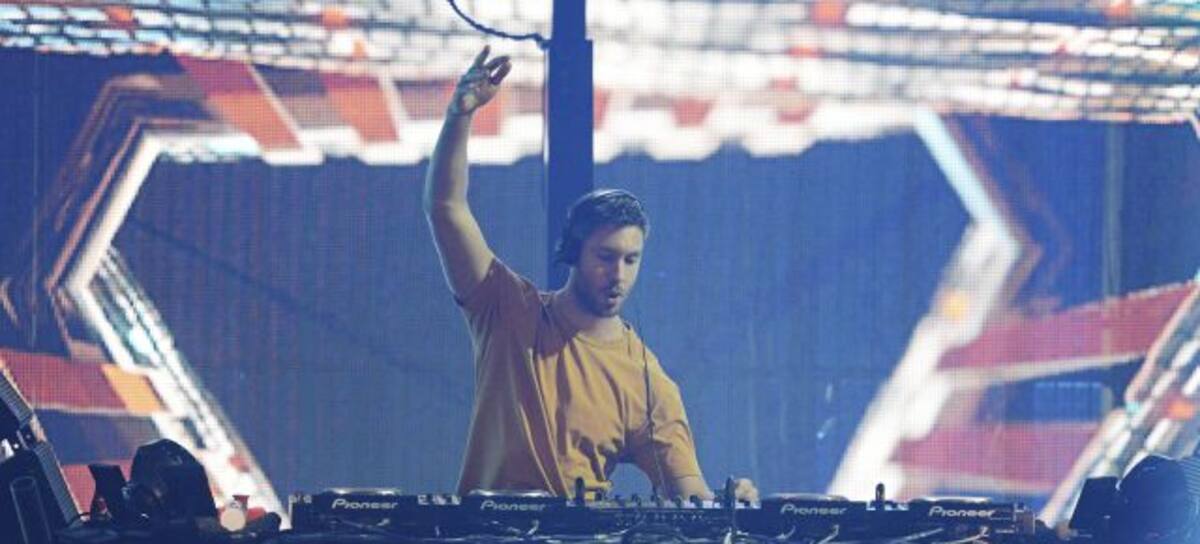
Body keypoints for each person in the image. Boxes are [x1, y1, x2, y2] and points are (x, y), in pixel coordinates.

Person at [424, 46, 757, 502]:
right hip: (486, 531)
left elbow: (689, 496)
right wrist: (459, 116)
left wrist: (729, 502)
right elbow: (446, 208)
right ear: (573, 253)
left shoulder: (647, 379)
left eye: (631, 260)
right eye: (605, 256)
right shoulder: (507, 309)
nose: (618, 274)